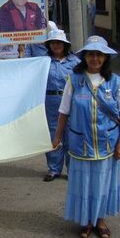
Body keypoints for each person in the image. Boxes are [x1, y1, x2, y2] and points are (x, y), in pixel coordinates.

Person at [52, 35, 120, 238]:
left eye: (99, 54)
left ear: (105, 58)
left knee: (103, 185)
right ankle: (86, 221)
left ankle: (100, 220)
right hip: (81, 145)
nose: (94, 58)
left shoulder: (115, 82)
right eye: (91, 54)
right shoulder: (74, 80)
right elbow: (63, 112)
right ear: (84, 57)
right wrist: (57, 137)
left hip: (108, 146)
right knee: (84, 184)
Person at [42, 30, 80, 182]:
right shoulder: (43, 62)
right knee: (52, 135)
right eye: (53, 43)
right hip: (50, 102)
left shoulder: (76, 63)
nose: (56, 45)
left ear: (65, 45)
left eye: (59, 43)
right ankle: (54, 169)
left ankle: (72, 170)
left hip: (70, 102)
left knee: (71, 135)